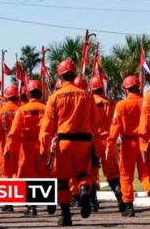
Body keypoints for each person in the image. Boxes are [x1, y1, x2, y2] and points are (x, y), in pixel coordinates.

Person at [40, 58, 96, 226]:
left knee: (62, 180)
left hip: (64, 142)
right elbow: (95, 120)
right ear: (73, 74)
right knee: (82, 175)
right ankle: (84, 190)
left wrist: (44, 149)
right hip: (84, 142)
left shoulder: (55, 97)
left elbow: (47, 127)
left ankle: (66, 216)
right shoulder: (87, 96)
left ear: (61, 75)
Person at [107, 75, 150, 217]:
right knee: (145, 175)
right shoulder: (145, 102)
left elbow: (115, 128)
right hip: (144, 143)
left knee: (125, 176)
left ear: (125, 89)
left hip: (127, 144)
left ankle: (128, 206)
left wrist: (110, 144)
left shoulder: (121, 105)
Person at [5, 80, 47, 216]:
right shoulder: (46, 108)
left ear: (29, 94)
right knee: (44, 173)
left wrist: (9, 148)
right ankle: (49, 203)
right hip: (43, 144)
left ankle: (31, 206)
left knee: (28, 176)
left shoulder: (22, 110)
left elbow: (14, 131)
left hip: (27, 146)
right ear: (40, 93)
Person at [89, 77, 121, 212]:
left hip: (95, 141)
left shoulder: (90, 103)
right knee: (113, 173)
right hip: (110, 142)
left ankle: (93, 202)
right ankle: (120, 195)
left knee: (91, 172)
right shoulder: (112, 103)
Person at [0, 85, 19, 212]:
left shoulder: (0, 112)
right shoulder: (21, 110)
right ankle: (29, 203)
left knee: (6, 173)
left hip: (4, 145)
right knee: (20, 172)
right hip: (20, 145)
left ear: (6, 96)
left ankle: (8, 203)